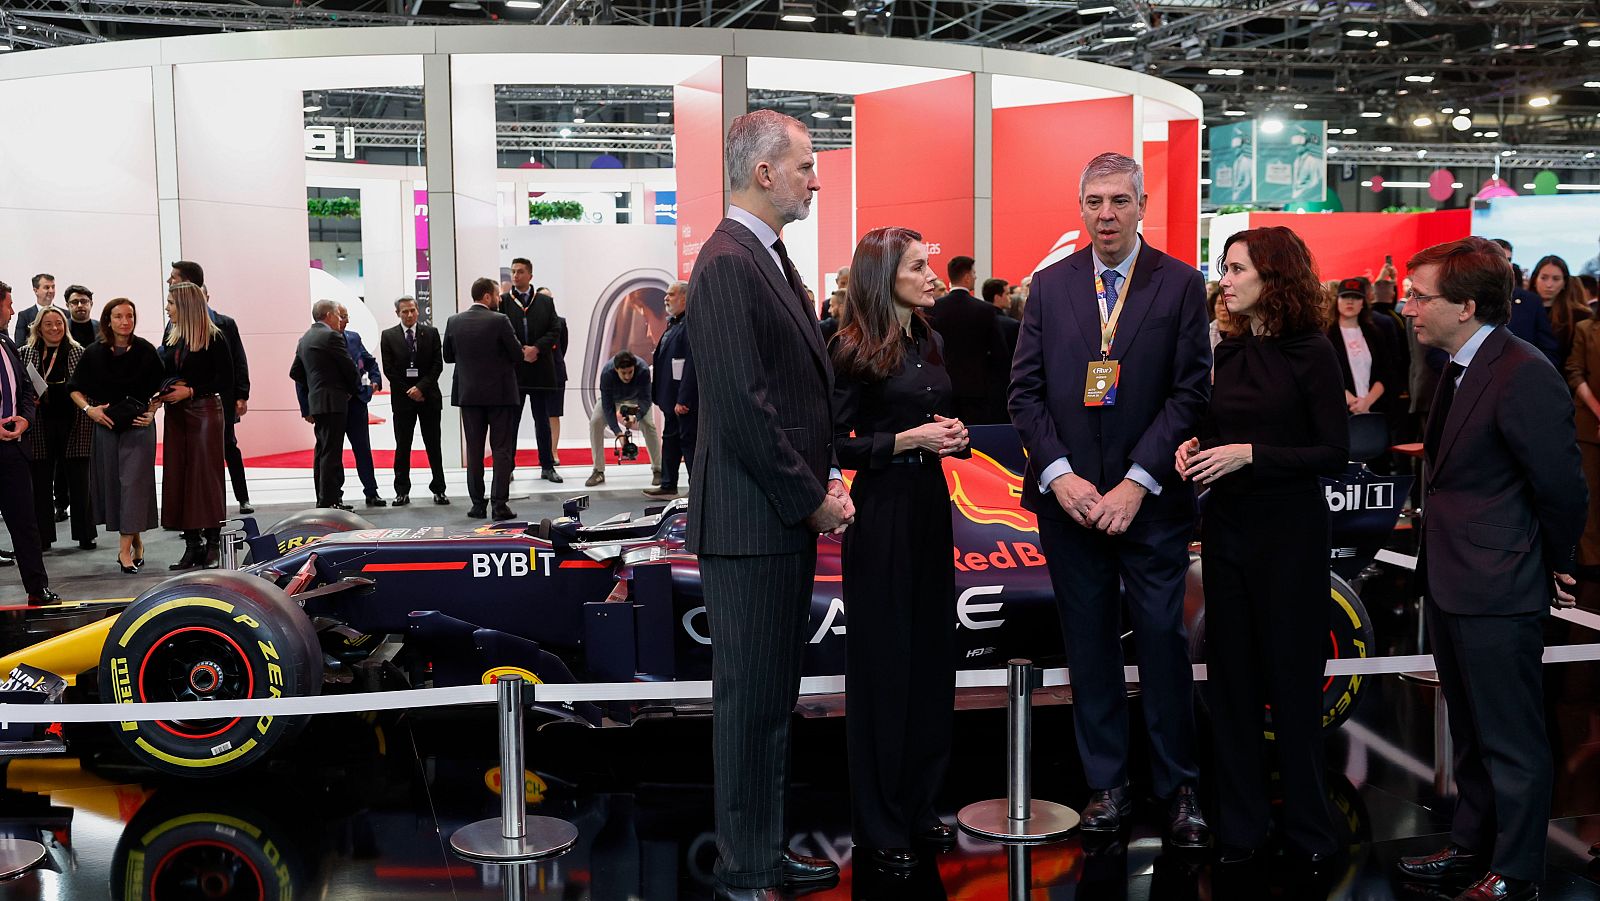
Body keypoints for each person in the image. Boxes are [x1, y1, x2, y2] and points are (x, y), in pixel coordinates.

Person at [1008, 151, 1211, 848]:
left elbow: (1190, 393)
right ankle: (1107, 784)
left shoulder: (1180, 284)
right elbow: (1024, 393)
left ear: (1142, 206)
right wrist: (1060, 475)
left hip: (1150, 504)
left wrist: (1135, 482)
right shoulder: (1050, 285)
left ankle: (1178, 786)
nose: (1106, 215)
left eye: (1120, 200)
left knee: (1161, 642)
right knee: (1089, 646)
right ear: (1081, 207)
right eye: (1094, 201)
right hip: (1071, 505)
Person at [687, 108, 848, 901]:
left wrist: (823, 480)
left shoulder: (763, 259)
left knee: (771, 704)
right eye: (806, 165)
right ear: (765, 173)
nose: (815, 180)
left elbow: (790, 394)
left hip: (772, 522)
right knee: (750, 706)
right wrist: (810, 498)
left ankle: (763, 850)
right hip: (754, 524)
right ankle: (745, 866)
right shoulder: (728, 263)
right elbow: (744, 409)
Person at [1396, 237, 1586, 901]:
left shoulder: (1523, 370)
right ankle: (1471, 846)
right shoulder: (1456, 365)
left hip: (1500, 583)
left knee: (1511, 737)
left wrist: (1555, 561)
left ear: (1466, 306)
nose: (1408, 307)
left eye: (1420, 297)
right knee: (1472, 732)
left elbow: (1562, 486)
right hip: (1456, 578)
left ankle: (1518, 869)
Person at [1177, 226, 1347, 866]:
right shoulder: (1229, 350)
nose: (1224, 280)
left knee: (1293, 684)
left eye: (1236, 268)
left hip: (1290, 537)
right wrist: (1195, 445)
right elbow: (1215, 428)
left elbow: (1332, 452)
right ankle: (1241, 828)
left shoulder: (1313, 352)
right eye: (1224, 268)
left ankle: (1309, 830)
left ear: (1273, 278)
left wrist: (1252, 455)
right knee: (1233, 684)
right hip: (1228, 533)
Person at [831, 226, 968, 872]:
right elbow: (835, 443)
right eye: (918, 266)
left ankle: (918, 805)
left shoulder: (930, 340)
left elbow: (935, 423)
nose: (931, 275)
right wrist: (907, 441)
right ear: (884, 276)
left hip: (930, 505)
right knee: (884, 667)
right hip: (881, 511)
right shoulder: (850, 348)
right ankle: (879, 821)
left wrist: (953, 435)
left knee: (930, 661)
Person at [69, 298, 164, 574]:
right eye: (119, 316)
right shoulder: (94, 353)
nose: (125, 321)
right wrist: (89, 410)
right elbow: (73, 388)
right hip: (107, 427)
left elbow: (164, 386)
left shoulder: (146, 350)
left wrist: (152, 411)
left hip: (138, 427)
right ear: (108, 321)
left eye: (130, 316)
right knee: (115, 487)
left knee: (133, 485)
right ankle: (136, 541)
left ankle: (123, 552)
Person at [159, 282, 235, 570]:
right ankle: (193, 545)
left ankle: (213, 543)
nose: (167, 308)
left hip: (204, 413)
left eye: (171, 303)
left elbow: (225, 380)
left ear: (186, 305)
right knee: (178, 476)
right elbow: (164, 371)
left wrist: (190, 391)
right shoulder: (172, 335)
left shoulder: (214, 338)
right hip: (176, 413)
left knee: (204, 478)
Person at [168, 262, 254, 515]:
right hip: (184, 405)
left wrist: (242, 394)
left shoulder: (222, 326)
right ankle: (195, 515)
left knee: (227, 446)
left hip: (216, 401)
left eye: (173, 278)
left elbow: (237, 362)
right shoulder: (173, 327)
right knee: (193, 458)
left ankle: (241, 498)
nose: (169, 282)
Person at [445, 277, 527, 521]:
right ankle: (499, 505)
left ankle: (477, 505)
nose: (499, 299)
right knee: (501, 450)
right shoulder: (500, 320)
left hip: (469, 395)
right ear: (488, 296)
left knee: (474, 451)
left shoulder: (454, 321)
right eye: (497, 295)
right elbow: (517, 354)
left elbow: (448, 356)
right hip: (500, 395)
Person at [0, 281, 58, 603]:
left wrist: (25, 418)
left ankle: (37, 590)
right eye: (8, 305)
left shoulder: (7, 344)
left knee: (25, 523)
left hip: (14, 448)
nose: (12, 312)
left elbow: (25, 388)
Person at [19, 308, 95, 551]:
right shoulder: (25, 353)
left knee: (80, 481)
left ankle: (85, 535)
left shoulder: (78, 352)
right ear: (39, 328)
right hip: (39, 424)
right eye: (48, 324)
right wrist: (28, 400)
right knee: (40, 482)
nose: (54, 328)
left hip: (74, 422)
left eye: (59, 324)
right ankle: (43, 536)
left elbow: (89, 387)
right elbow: (19, 387)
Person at [291, 300, 359, 512]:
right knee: (331, 453)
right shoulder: (331, 336)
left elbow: (295, 372)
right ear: (329, 315)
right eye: (339, 315)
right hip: (334, 401)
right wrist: (351, 389)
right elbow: (349, 368)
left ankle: (324, 498)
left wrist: (314, 386)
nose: (341, 320)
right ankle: (330, 501)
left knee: (322, 451)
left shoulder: (305, 338)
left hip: (318, 402)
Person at [380, 296, 448, 506]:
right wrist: (409, 391)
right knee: (403, 446)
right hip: (403, 400)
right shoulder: (388, 336)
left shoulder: (431, 333)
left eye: (412, 310)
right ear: (397, 313)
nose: (409, 315)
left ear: (418, 311)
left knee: (433, 445)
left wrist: (421, 388)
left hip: (428, 397)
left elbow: (437, 365)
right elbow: (389, 369)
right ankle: (402, 490)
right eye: (404, 311)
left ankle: (439, 489)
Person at [501, 257, 563, 483]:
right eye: (513, 272)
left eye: (520, 272)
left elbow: (555, 329)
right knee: (511, 423)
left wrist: (536, 348)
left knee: (542, 421)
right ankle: (507, 468)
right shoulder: (503, 302)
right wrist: (520, 351)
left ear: (530, 275)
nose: (515, 276)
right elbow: (500, 332)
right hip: (515, 372)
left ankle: (547, 466)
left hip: (540, 370)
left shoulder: (545, 302)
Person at [929, 254, 1005, 425]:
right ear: (967, 277)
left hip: (942, 387)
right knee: (977, 436)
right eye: (974, 273)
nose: (976, 277)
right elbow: (999, 353)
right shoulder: (985, 310)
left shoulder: (933, 309)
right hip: (977, 389)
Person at [645, 281, 696, 500]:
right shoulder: (673, 324)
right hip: (670, 398)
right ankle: (668, 484)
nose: (666, 298)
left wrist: (684, 398)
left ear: (684, 297)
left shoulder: (690, 324)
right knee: (671, 441)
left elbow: (692, 365)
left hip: (683, 400)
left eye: (671, 294)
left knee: (689, 442)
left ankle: (696, 487)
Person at [584, 351, 661, 487]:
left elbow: (646, 399)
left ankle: (658, 470)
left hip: (637, 399)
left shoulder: (643, 370)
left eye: (630, 372)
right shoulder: (607, 373)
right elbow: (607, 406)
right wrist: (618, 433)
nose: (627, 376)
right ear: (616, 369)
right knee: (595, 422)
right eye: (623, 373)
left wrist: (636, 416)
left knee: (648, 424)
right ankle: (598, 471)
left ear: (634, 367)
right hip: (614, 399)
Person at [1330, 277, 1399, 419]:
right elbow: (1324, 375)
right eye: (1345, 296)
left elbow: (1386, 372)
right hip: (1339, 412)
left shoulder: (1374, 333)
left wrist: (1367, 402)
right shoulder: (1327, 336)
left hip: (1375, 410)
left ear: (1363, 303)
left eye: (1356, 297)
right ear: (1337, 301)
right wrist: (1351, 401)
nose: (1350, 301)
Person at [340, 303, 386, 507]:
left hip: (357, 403)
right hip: (334, 406)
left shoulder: (353, 338)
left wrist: (375, 380)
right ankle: (335, 496)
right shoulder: (322, 341)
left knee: (363, 450)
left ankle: (371, 492)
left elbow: (369, 362)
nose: (346, 320)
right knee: (334, 453)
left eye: (347, 316)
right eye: (342, 316)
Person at [1490, 239, 1561, 369]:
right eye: (1498, 258)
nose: (1506, 264)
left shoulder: (1531, 302)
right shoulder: (1464, 297)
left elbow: (1549, 350)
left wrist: (1532, 374)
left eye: (1509, 260)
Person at [1531, 254, 1591, 366]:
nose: (1549, 285)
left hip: (1564, 373)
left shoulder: (1579, 315)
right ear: (1535, 280)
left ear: (1564, 283)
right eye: (1544, 278)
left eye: (1556, 279)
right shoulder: (1520, 309)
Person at [12, 273, 55, 346]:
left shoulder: (65, 314)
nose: (51, 291)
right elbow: (19, 344)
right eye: (47, 287)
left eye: (53, 287)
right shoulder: (24, 316)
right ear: (36, 291)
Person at [984, 276, 1021, 358]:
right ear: (997, 297)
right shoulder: (1012, 325)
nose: (1010, 297)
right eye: (1007, 294)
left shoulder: (977, 320)